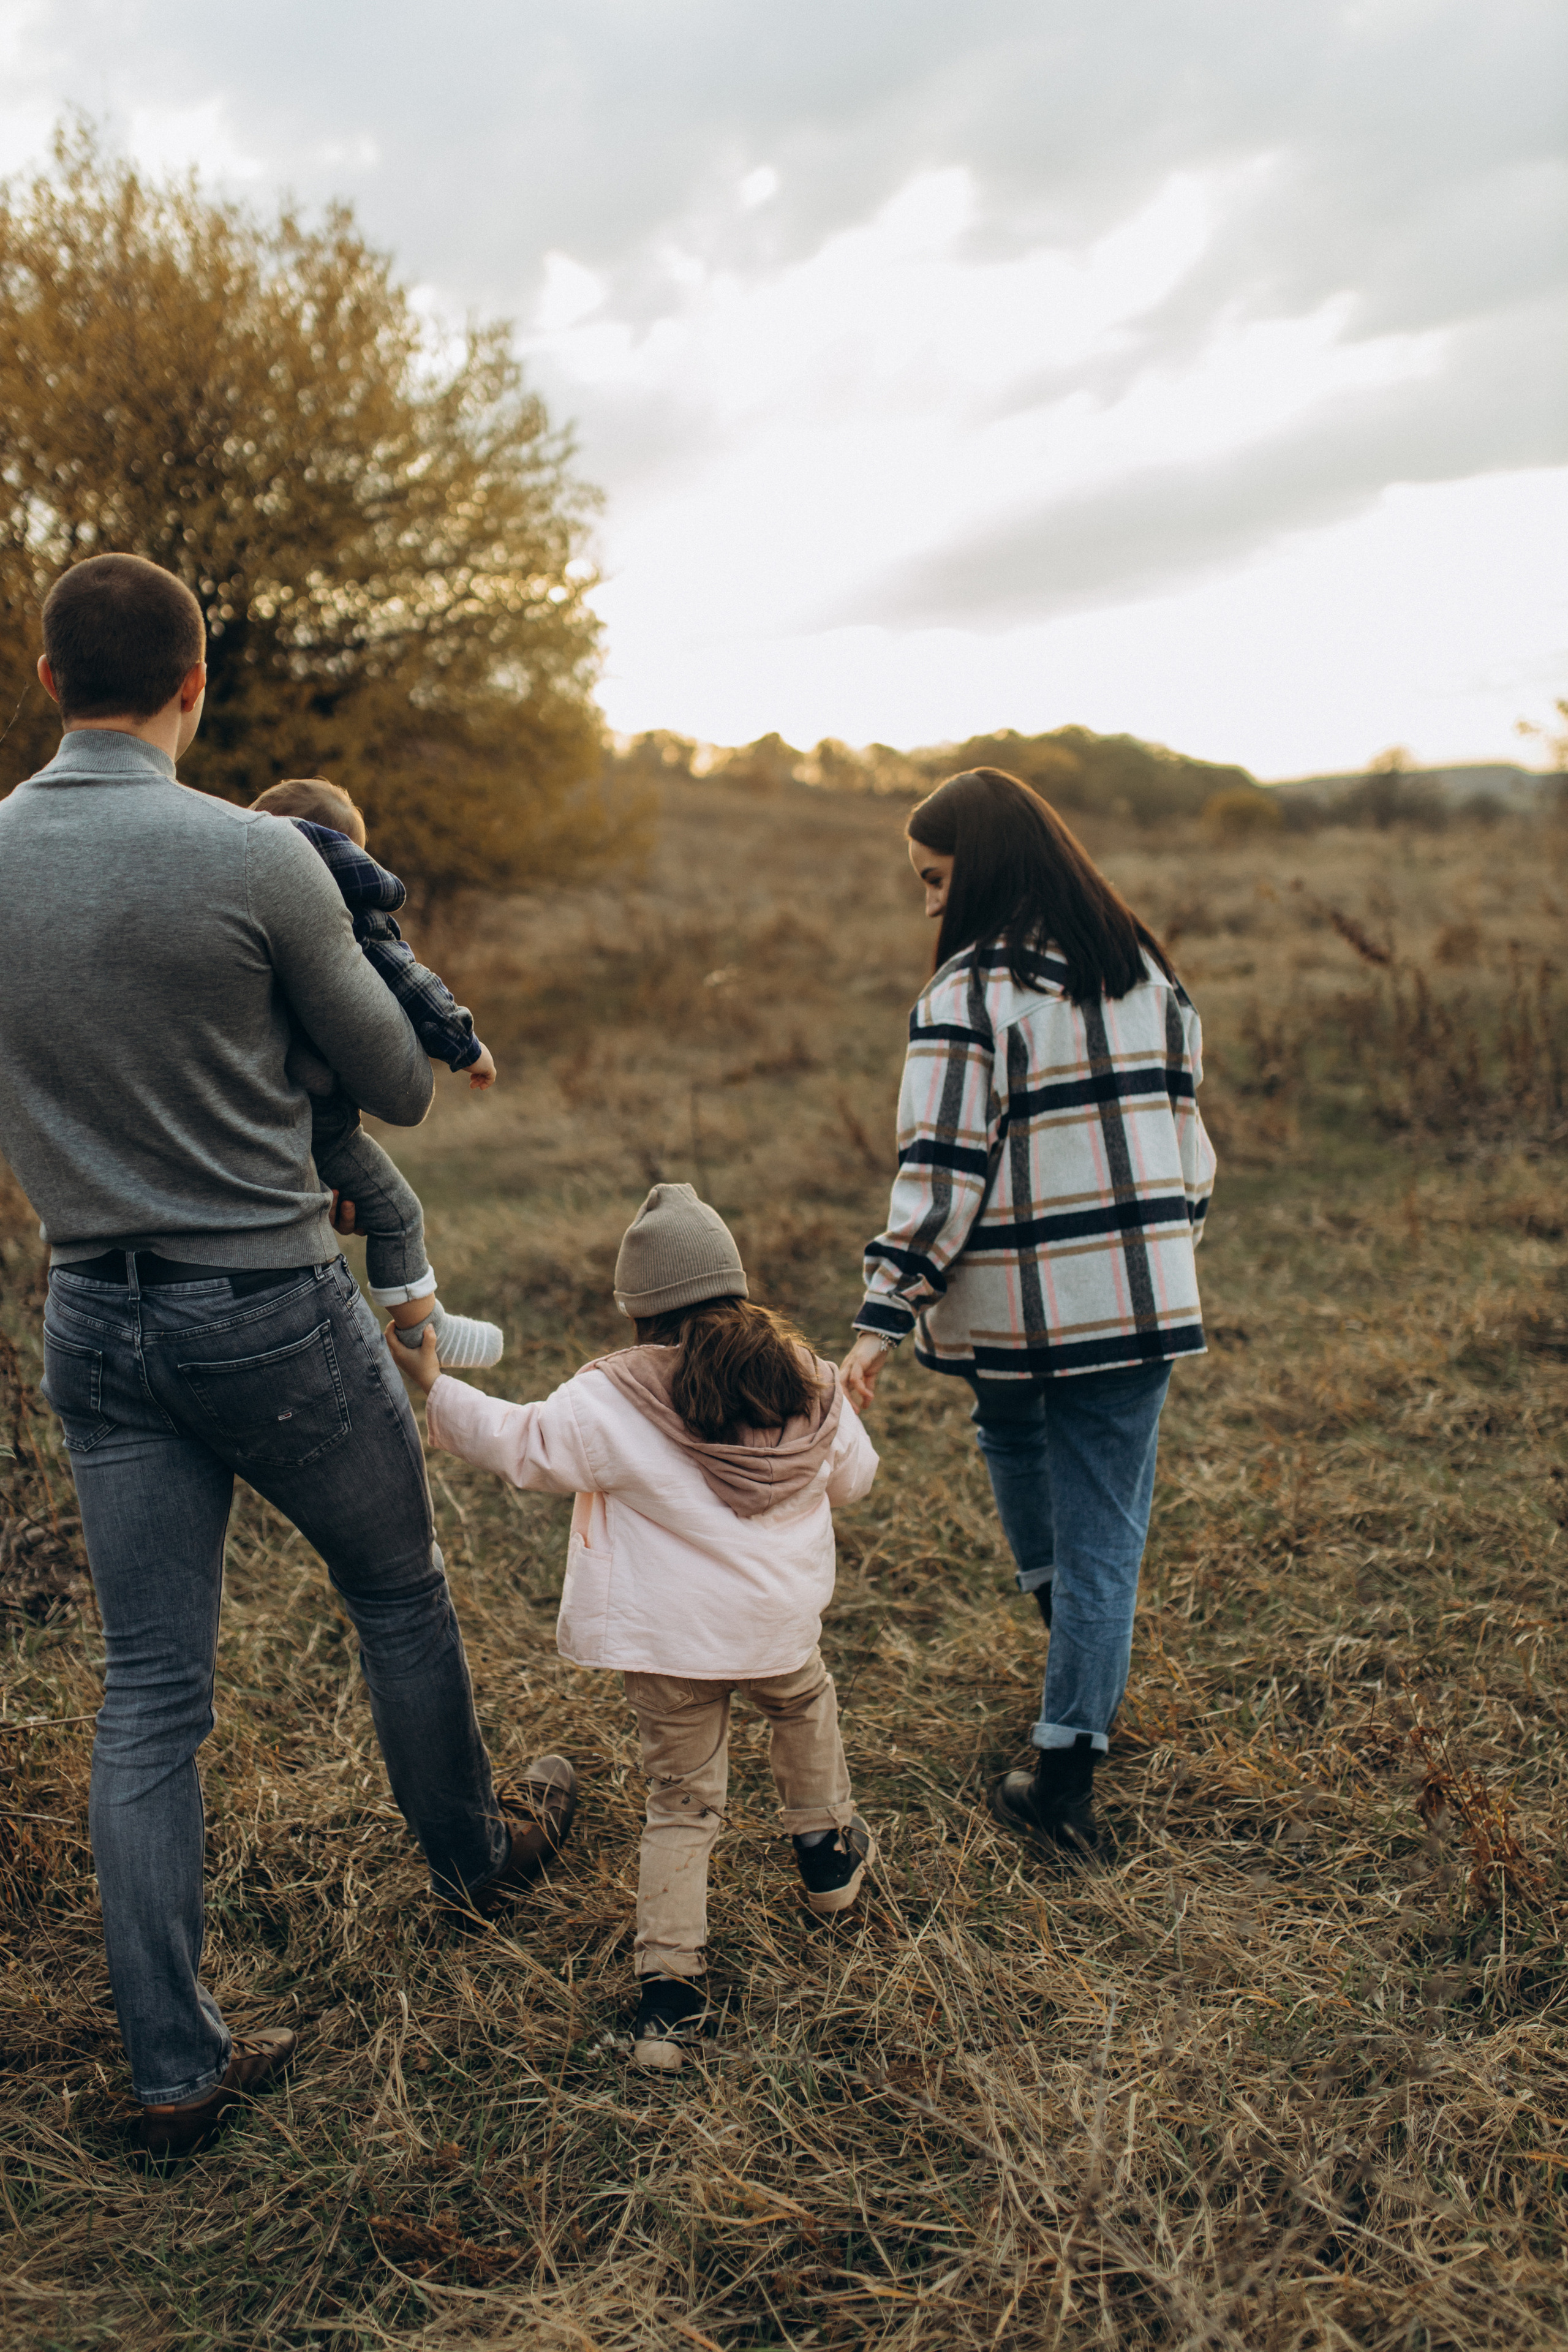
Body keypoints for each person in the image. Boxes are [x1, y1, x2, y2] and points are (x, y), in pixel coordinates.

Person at [0, 552, 576, 2162]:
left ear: (51, 682)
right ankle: (472, 1862)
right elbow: (395, 1086)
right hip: (264, 1300)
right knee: (396, 1592)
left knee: (148, 1689)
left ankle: (173, 2071)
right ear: (196, 686)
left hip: (90, 1314)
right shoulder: (260, 858)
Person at [396, 1183, 879, 2071]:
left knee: (683, 1808)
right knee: (805, 1704)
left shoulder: (611, 1400)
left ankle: (670, 2005)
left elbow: (522, 1443)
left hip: (671, 1648)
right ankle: (824, 1852)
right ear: (735, 1283)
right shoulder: (809, 1379)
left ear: (637, 1308)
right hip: (778, 1628)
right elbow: (853, 1480)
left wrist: (434, 1383)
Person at [840, 767, 1216, 1858]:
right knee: (1106, 1532)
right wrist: (1160, 1254)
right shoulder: (1149, 973)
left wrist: (883, 1316)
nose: (927, 904)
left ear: (983, 872)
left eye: (935, 880)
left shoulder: (968, 994)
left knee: (1028, 1454)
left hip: (1013, 1317)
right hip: (1137, 1306)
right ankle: (1081, 1691)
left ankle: (1061, 1778)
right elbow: (1190, 1150)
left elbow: (940, 1172)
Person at [248, 775, 503, 1370]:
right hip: (323, 1123)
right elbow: (407, 980)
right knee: (397, 1213)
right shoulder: (352, 911)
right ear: (347, 854)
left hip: (254, 1110)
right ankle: (419, 1329)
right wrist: (466, 1044)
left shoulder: (239, 897)